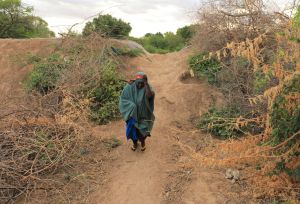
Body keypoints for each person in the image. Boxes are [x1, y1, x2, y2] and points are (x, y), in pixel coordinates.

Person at [119, 72, 155, 151]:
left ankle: (142, 142)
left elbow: (150, 95)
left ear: (144, 82)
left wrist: (146, 84)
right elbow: (123, 100)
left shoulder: (147, 88)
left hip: (143, 116)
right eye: (138, 83)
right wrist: (132, 107)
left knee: (143, 132)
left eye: (141, 83)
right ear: (135, 81)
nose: (139, 85)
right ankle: (135, 143)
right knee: (132, 132)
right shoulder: (129, 87)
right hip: (132, 116)